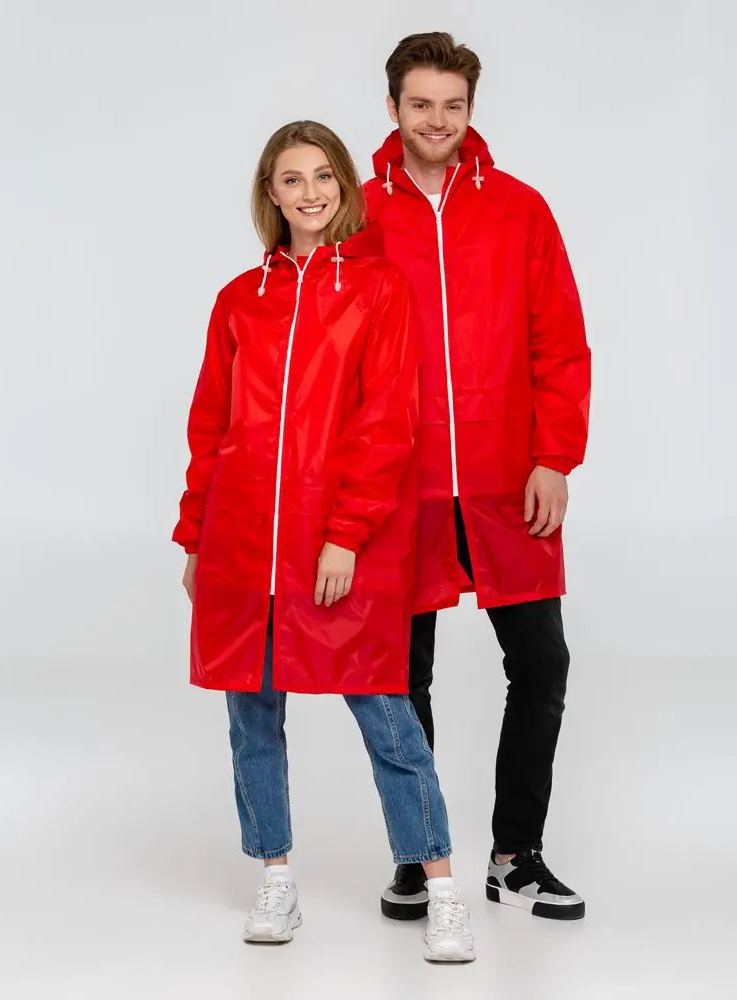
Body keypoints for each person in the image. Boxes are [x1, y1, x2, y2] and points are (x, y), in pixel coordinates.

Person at [172, 121, 476, 962]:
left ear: (343, 185)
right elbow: (211, 426)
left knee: (388, 716)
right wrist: (195, 537)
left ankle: (441, 888)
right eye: (291, 179)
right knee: (251, 719)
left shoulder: (378, 290)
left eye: (323, 177)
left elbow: (388, 426)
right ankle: (276, 876)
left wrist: (344, 536)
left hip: (339, 546)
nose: (309, 193)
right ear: (271, 194)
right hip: (242, 547)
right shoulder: (240, 300)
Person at [364, 33, 592, 922]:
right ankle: (418, 854)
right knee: (401, 674)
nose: (437, 121)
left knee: (541, 662)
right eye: (421, 104)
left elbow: (559, 340)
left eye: (453, 105)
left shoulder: (520, 210)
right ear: (392, 107)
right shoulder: (358, 218)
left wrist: (554, 457)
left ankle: (515, 854)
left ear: (471, 109)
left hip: (507, 479)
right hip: (400, 482)